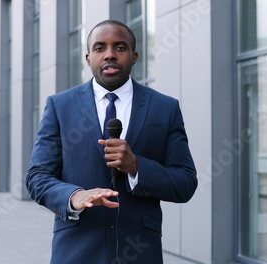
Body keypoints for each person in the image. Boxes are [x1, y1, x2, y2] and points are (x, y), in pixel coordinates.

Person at [26, 19, 197, 264]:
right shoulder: (60, 106)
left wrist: (137, 167)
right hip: (76, 252)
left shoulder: (164, 108)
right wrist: (74, 196)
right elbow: (37, 176)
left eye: (120, 47)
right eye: (99, 48)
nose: (109, 55)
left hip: (140, 252)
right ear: (87, 57)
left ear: (134, 56)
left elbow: (185, 182)